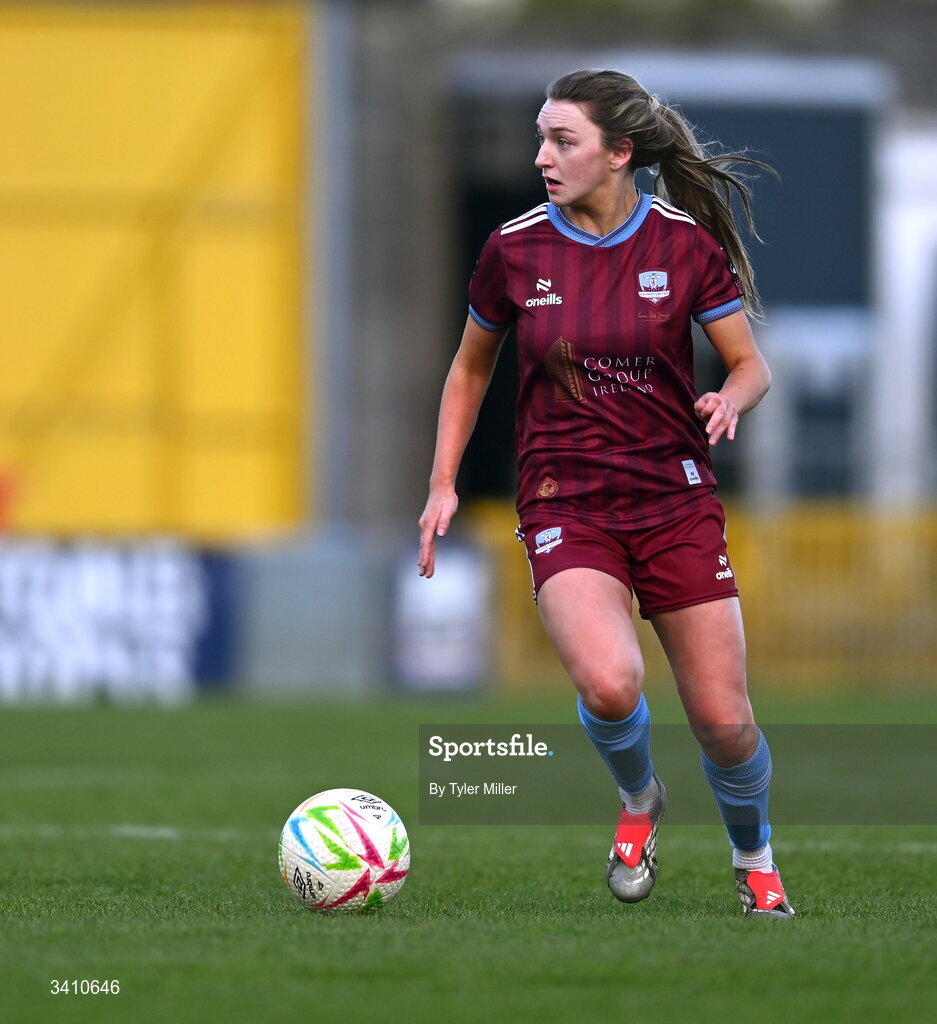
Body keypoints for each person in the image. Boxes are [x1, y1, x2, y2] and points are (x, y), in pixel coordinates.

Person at [418, 69, 794, 918]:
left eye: (562, 141)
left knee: (725, 724)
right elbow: (469, 367)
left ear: (620, 152)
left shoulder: (682, 245)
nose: (540, 156)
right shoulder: (512, 249)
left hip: (675, 500)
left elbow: (749, 365)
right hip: (565, 501)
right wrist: (442, 483)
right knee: (610, 684)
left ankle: (753, 856)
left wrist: (727, 401)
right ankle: (638, 799)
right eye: (540, 138)